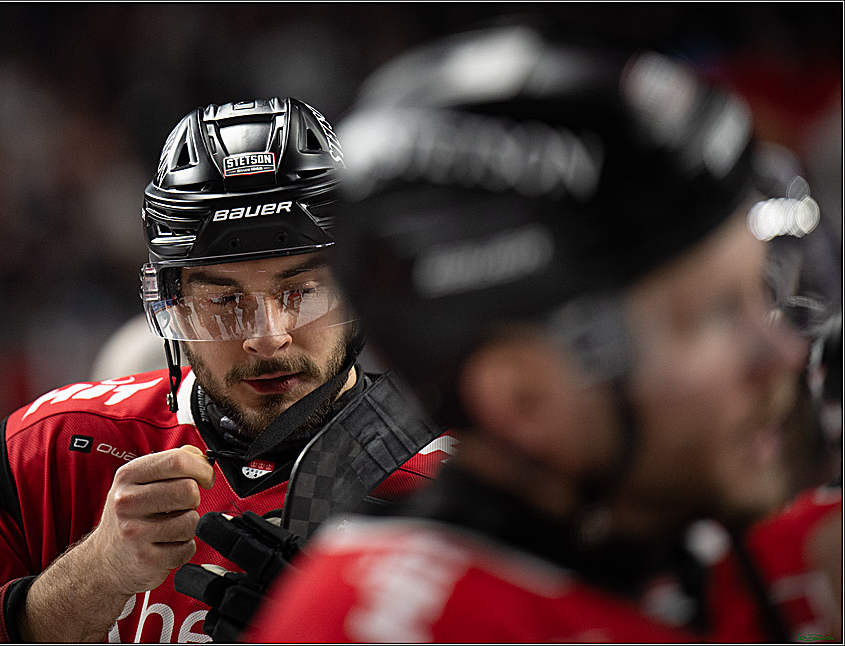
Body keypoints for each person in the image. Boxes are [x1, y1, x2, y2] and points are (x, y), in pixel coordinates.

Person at [247, 23, 842, 643]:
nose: (782, 351)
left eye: (761, 293)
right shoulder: (393, 621)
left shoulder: (717, 539)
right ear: (522, 399)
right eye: (710, 316)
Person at [0, 97, 450, 643]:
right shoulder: (51, 447)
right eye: (223, 303)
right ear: (172, 306)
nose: (266, 336)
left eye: (302, 291)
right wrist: (95, 577)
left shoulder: (463, 483)